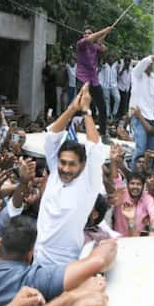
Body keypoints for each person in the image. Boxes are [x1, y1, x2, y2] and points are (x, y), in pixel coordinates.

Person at [33, 83, 105, 267]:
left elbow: (95, 148)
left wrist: (86, 111)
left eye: (72, 164)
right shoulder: (56, 174)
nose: (65, 168)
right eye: (62, 162)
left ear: (82, 165)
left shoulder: (89, 183)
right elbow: (52, 136)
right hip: (36, 261)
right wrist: (72, 108)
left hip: (63, 268)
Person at [76, 25, 113, 138]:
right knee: (79, 106)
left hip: (94, 80)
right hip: (83, 79)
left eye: (89, 32)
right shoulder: (81, 44)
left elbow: (103, 48)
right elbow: (90, 39)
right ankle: (72, 127)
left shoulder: (95, 47)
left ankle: (102, 133)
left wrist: (105, 35)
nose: (86, 34)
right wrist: (104, 30)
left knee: (102, 107)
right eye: (85, 33)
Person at [112, 172, 154, 237]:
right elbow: (115, 178)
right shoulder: (121, 194)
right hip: (119, 239)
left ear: (144, 186)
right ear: (127, 185)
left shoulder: (148, 198)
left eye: (138, 184)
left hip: (137, 240)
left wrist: (152, 231)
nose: (135, 187)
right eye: (132, 183)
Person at [99, 55, 120, 120]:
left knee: (118, 98)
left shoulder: (115, 65)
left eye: (113, 57)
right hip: (106, 86)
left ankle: (114, 113)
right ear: (108, 58)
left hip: (114, 85)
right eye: (110, 57)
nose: (111, 59)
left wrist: (117, 57)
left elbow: (121, 62)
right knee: (107, 101)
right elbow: (101, 62)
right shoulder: (104, 65)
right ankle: (108, 115)